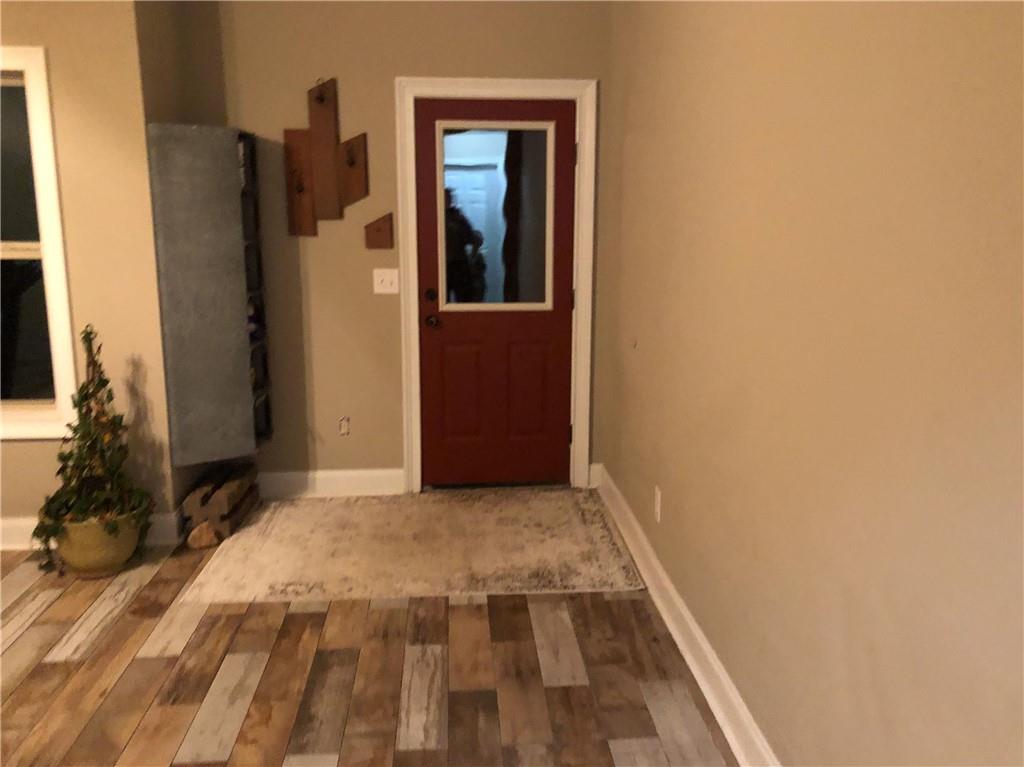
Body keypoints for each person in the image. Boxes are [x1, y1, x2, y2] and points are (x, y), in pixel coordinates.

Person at [444, 188, 487, 302]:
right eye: (446, 197)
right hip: (440, 266)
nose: (448, 200)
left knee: (464, 301)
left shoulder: (458, 217)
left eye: (449, 197)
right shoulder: (432, 218)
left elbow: (471, 237)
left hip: (459, 265)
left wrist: (474, 252)